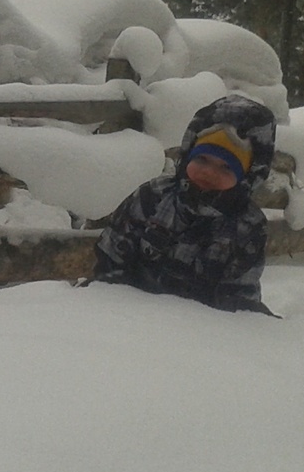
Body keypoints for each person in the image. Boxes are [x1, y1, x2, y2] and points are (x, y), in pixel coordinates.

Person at [94, 94, 279, 316]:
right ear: (188, 154)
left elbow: (239, 295)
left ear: (247, 178)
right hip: (134, 315)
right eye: (202, 159)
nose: (209, 172)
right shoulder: (153, 197)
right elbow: (111, 260)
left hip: (199, 329)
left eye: (226, 168)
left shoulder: (247, 226)